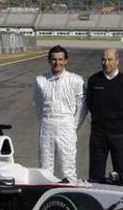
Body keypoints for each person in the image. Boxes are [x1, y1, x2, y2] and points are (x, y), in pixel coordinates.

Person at [33, 45, 87, 181]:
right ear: (49, 60)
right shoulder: (40, 80)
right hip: (47, 123)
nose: (57, 63)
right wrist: (45, 119)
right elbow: (37, 104)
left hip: (67, 124)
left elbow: (82, 107)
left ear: (66, 60)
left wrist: (73, 125)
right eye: (54, 59)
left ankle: (70, 195)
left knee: (67, 167)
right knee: (45, 166)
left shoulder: (76, 80)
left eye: (60, 59)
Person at [86, 48, 123, 186]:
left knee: (122, 175)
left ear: (117, 61)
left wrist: (119, 121)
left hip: (120, 135)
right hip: (98, 135)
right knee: (95, 175)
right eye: (103, 59)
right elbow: (89, 104)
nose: (106, 63)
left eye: (109, 59)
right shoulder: (93, 81)